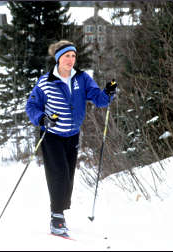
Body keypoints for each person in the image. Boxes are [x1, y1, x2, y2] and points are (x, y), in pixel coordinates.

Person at [25, 40, 117, 236]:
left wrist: (108, 93)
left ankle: (60, 210)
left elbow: (99, 99)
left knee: (68, 177)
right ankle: (56, 217)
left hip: (73, 135)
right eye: (67, 56)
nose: (71, 59)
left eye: (74, 56)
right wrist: (42, 119)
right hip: (51, 135)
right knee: (57, 174)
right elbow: (31, 107)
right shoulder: (45, 81)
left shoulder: (82, 78)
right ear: (59, 58)